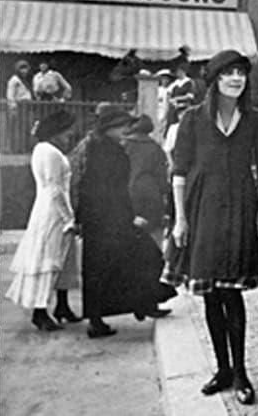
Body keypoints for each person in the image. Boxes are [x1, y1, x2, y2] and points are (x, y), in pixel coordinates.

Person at [164, 49, 258, 405]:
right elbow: (180, 171)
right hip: (202, 208)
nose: (236, 79)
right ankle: (223, 369)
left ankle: (241, 373)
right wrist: (181, 218)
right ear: (215, 80)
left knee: (232, 292)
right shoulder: (192, 119)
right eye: (229, 73)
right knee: (211, 292)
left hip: (240, 208)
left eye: (241, 73)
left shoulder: (256, 120)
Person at [69, 104, 176, 339]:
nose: (125, 129)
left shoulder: (99, 147)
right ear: (110, 127)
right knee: (142, 257)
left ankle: (129, 306)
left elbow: (87, 186)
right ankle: (139, 303)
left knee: (103, 269)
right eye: (122, 125)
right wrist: (128, 217)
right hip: (111, 219)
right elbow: (112, 190)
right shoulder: (107, 150)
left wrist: (81, 218)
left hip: (100, 220)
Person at [6, 110, 81, 331]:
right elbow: (54, 188)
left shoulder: (43, 150)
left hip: (50, 208)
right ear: (57, 131)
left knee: (64, 259)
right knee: (49, 259)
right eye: (67, 131)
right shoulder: (50, 153)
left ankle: (62, 306)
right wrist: (68, 218)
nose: (69, 136)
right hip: (53, 213)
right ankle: (40, 312)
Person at [122, 114, 169, 245]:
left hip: (127, 196)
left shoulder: (123, 146)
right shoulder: (156, 149)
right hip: (152, 198)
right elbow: (162, 179)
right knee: (152, 239)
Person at [167, 62, 195, 127]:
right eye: (177, 71)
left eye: (179, 71)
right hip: (175, 108)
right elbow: (168, 93)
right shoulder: (175, 83)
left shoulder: (189, 82)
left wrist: (177, 98)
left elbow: (190, 96)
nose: (178, 73)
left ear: (183, 72)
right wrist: (170, 100)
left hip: (184, 107)